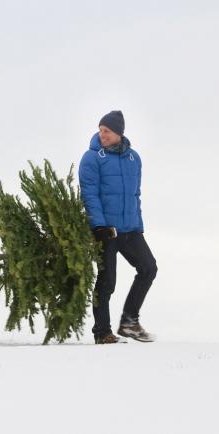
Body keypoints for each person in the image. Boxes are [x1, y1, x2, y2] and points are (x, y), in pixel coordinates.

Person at [78, 110, 158, 344]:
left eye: (107, 131)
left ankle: (129, 322)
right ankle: (102, 332)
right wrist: (98, 226)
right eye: (101, 130)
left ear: (119, 133)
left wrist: (139, 225)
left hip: (130, 228)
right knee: (107, 281)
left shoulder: (134, 158)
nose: (102, 134)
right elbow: (89, 194)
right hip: (107, 230)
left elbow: (136, 194)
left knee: (148, 268)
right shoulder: (92, 157)